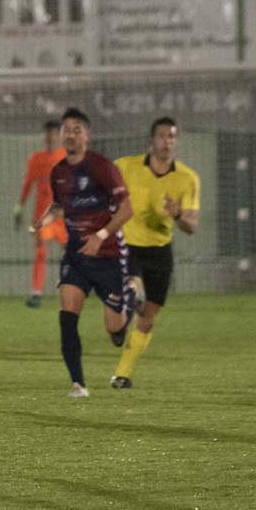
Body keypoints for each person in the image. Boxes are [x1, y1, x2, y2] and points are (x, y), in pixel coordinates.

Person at [30, 107, 133, 398]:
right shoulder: (59, 172)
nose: (71, 135)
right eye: (67, 130)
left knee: (114, 328)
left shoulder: (102, 167)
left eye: (77, 130)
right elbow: (60, 207)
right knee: (67, 317)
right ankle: (78, 384)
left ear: (87, 135)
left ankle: (130, 299)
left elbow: (127, 209)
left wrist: (101, 236)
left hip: (108, 255)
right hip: (76, 256)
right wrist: (43, 222)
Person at [110, 117, 200, 389]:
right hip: (129, 247)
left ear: (176, 142)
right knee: (134, 290)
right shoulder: (126, 166)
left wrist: (178, 215)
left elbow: (191, 226)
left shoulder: (187, 178)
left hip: (160, 252)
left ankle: (122, 373)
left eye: (171, 137)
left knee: (148, 318)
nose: (166, 142)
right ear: (151, 140)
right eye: (162, 136)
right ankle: (121, 318)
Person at [14, 119, 67, 307]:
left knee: (69, 253)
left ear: (60, 137)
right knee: (41, 252)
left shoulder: (67, 157)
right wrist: (19, 207)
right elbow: (28, 184)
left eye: (54, 135)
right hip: (43, 217)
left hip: (64, 215)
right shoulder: (36, 159)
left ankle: (71, 288)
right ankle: (36, 294)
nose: (50, 138)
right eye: (48, 135)